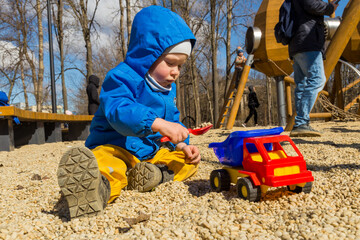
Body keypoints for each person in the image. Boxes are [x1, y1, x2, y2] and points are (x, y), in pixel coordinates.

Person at [57, 6, 200, 219]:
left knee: (188, 163)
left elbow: (172, 123)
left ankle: (157, 176)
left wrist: (182, 144)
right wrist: (158, 123)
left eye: (180, 66)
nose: (175, 72)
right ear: (148, 54)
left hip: (150, 153)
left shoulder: (168, 89)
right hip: (115, 146)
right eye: (170, 63)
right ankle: (96, 190)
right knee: (107, 165)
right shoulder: (121, 77)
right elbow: (119, 111)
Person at [289, 0, 338, 137]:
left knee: (302, 85)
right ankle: (302, 122)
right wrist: (329, 7)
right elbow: (311, 4)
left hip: (296, 45)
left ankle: (301, 125)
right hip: (308, 43)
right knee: (317, 80)